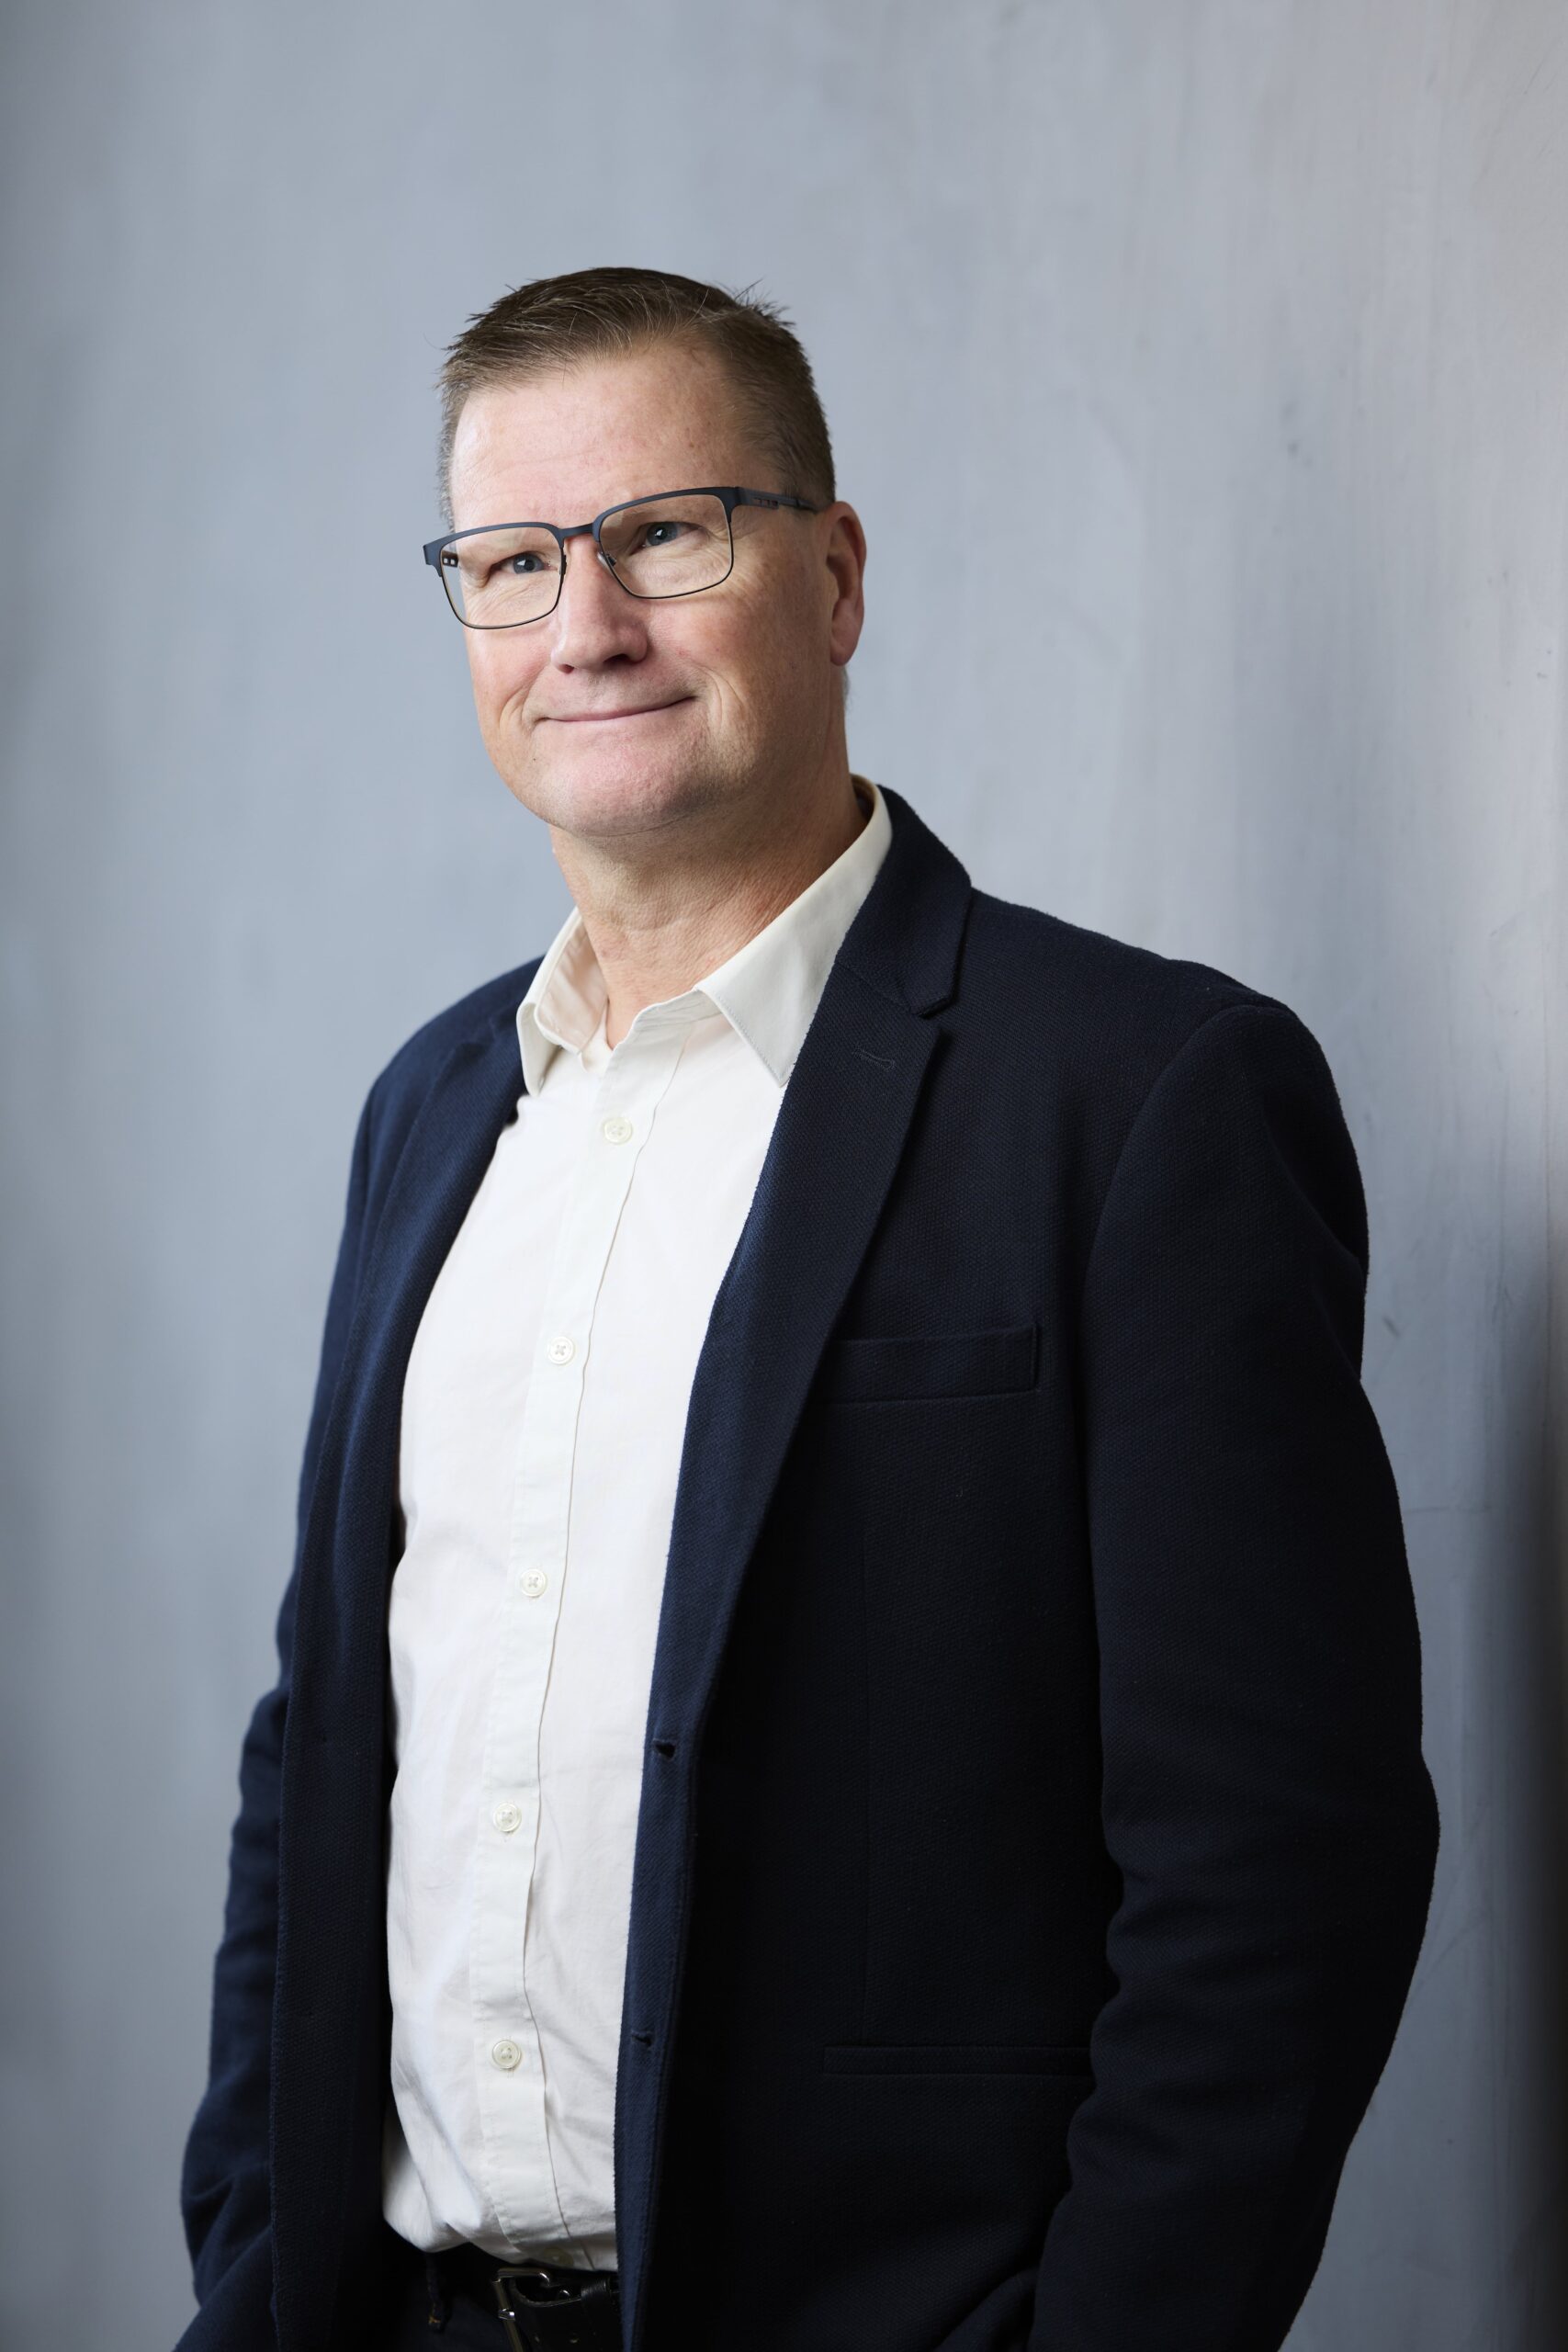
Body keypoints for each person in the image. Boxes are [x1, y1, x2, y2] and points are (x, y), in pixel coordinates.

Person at [177, 266, 1440, 2352]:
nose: (584, 624)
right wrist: (250, 2251)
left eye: (663, 535)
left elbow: (1279, 1862)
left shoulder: (1139, 1100)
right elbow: (320, 1750)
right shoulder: (430, 1112)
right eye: (511, 562)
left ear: (833, 576)